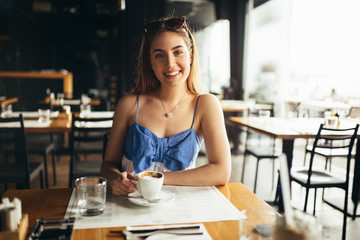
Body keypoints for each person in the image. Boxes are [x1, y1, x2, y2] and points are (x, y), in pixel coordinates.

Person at [101, 16, 231, 196]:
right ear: (150, 62)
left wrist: (154, 178)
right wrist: (115, 178)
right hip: (130, 203)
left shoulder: (206, 105)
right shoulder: (129, 104)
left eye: (178, 52)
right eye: (160, 55)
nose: (170, 64)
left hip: (181, 207)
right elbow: (107, 166)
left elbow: (221, 172)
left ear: (191, 56)